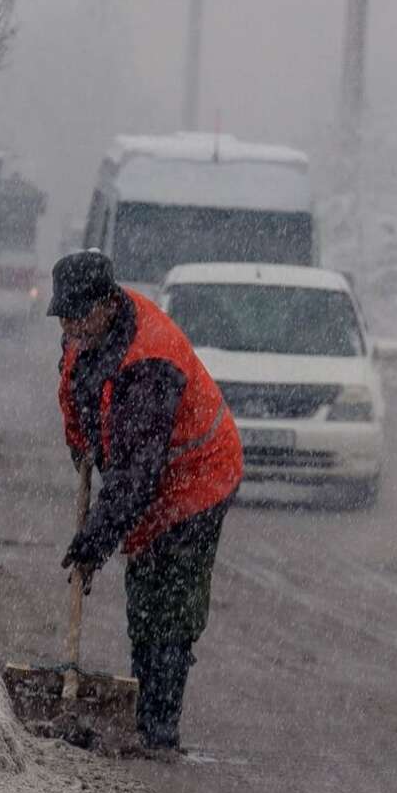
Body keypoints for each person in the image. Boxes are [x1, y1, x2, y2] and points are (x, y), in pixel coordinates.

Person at [50, 249, 243, 754]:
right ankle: (142, 705)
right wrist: (80, 446)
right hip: (151, 476)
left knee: (172, 600)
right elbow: (75, 395)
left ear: (108, 304)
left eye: (78, 316)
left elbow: (136, 475)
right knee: (144, 594)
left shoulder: (150, 361)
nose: (71, 327)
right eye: (64, 317)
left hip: (199, 478)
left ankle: (160, 727)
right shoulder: (82, 334)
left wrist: (93, 542)